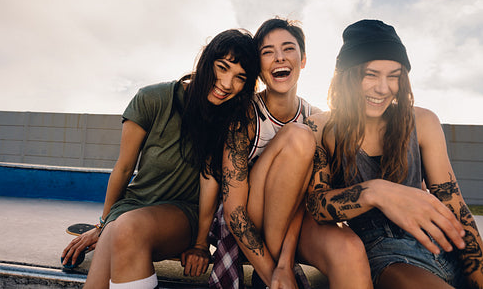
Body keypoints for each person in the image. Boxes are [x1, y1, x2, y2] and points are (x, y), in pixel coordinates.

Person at [61, 28, 260, 289]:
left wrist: (201, 244)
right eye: (222, 67)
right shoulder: (152, 99)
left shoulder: (230, 120)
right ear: (206, 59)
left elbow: (209, 182)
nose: (226, 83)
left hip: (182, 215)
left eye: (239, 78)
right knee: (113, 240)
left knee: (126, 228)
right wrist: (102, 224)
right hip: (132, 207)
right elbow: (123, 169)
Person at [305, 19, 483, 288]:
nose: (383, 88)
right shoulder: (321, 127)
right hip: (386, 253)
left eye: (394, 76)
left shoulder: (422, 122)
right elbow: (316, 205)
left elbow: (455, 205)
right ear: (348, 75)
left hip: (448, 247)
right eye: (371, 74)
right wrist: (375, 192)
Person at [200, 18, 372, 289]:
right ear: (259, 66)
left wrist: (284, 264)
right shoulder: (245, 116)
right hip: (249, 215)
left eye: (288, 49)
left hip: (295, 221)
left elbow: (305, 201)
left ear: (303, 60)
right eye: (267, 52)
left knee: (348, 247)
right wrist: (274, 274)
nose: (279, 57)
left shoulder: (315, 117)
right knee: (299, 136)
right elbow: (234, 211)